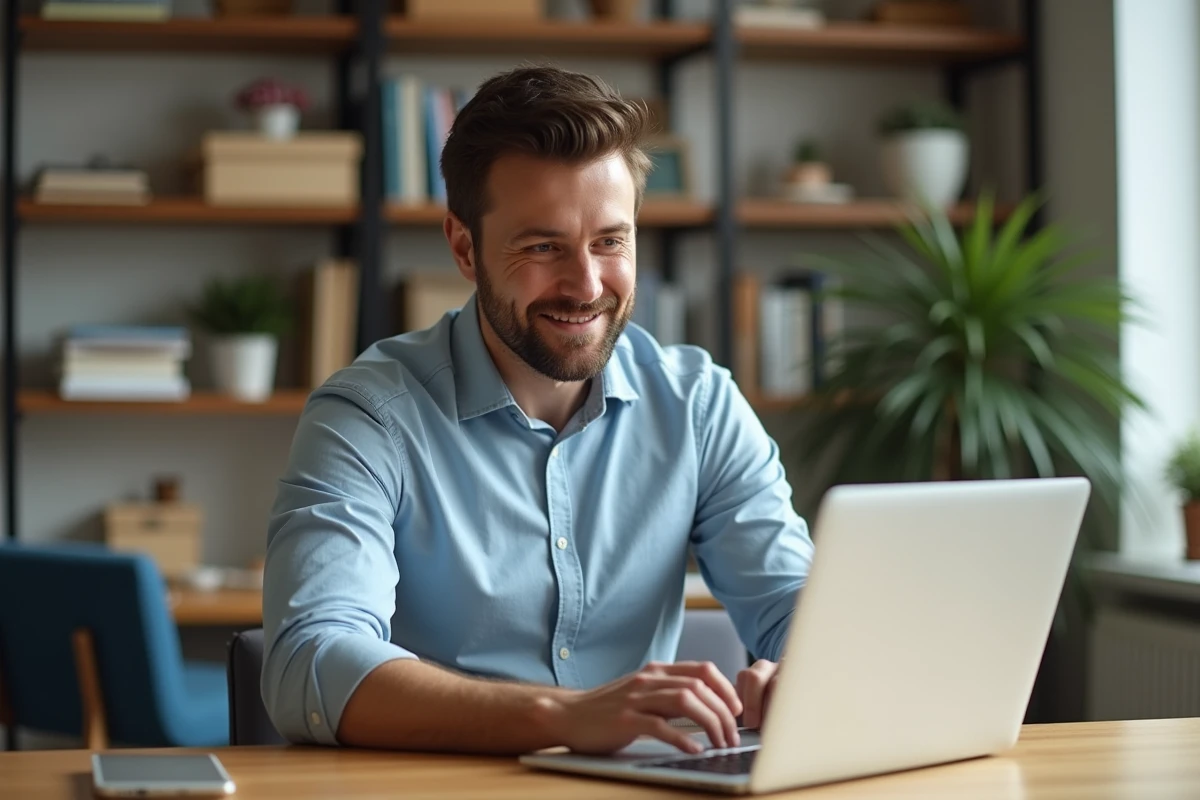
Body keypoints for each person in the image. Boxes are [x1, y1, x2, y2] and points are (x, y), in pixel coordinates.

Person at [261, 65, 814, 756]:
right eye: (543, 246)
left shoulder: (697, 405)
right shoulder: (367, 417)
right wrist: (560, 716)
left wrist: (806, 668)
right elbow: (308, 664)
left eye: (610, 241)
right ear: (465, 247)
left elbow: (798, 601)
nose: (586, 286)